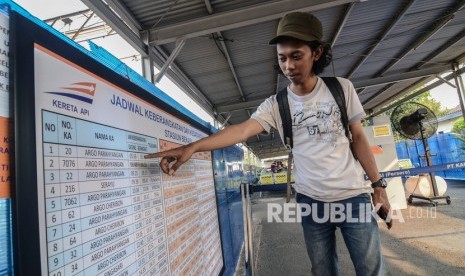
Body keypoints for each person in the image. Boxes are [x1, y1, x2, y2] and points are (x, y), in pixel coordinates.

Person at [145, 11, 391, 275]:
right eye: (282, 58)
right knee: (322, 271)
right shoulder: (276, 104)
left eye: (297, 56)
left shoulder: (341, 89)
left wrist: (378, 186)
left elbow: (359, 138)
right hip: (312, 202)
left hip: (352, 197)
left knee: (371, 269)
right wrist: (192, 147)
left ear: (316, 53)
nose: (288, 66)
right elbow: (240, 131)